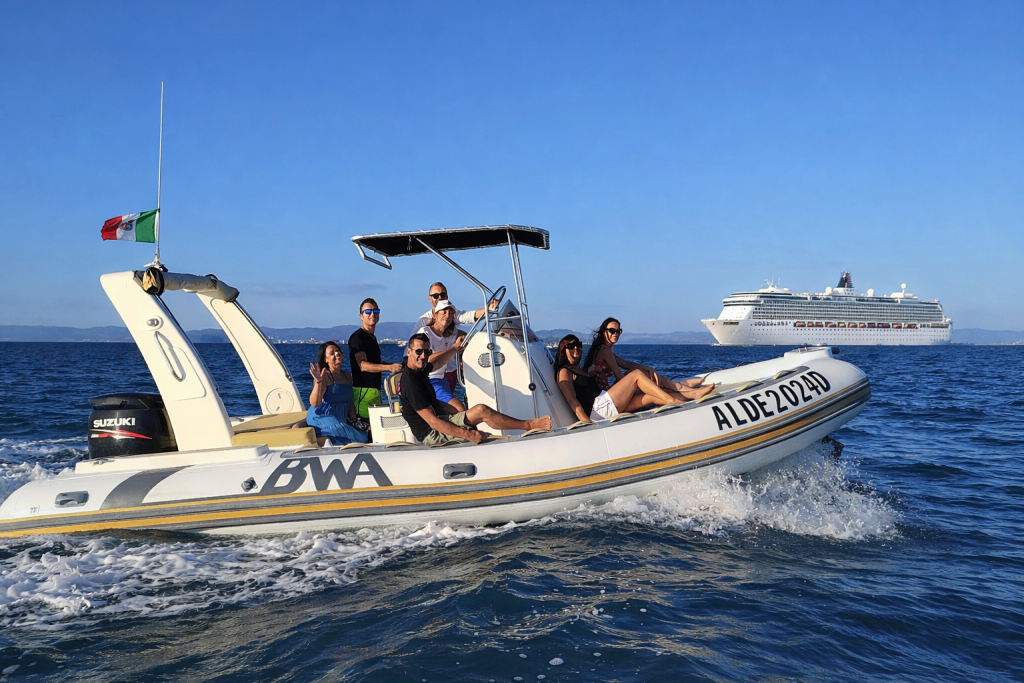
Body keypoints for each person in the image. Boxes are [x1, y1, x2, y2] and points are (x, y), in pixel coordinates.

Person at [400, 333, 552, 445]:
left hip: (442, 420)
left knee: (481, 410)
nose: (423, 356)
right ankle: (528, 426)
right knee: (480, 435)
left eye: (427, 352)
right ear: (409, 352)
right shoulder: (411, 383)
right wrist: (468, 434)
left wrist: (454, 349)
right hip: (432, 434)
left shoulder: (420, 370)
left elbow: (438, 364)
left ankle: (528, 425)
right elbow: (433, 422)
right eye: (418, 352)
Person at [554, 335, 710, 422]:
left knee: (650, 396)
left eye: (578, 345)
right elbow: (572, 401)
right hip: (599, 408)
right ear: (563, 350)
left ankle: (691, 397)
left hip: (606, 405)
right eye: (570, 346)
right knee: (635, 375)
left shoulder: (578, 370)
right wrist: (587, 425)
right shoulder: (564, 372)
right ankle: (672, 401)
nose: (576, 349)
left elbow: (625, 363)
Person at [583, 317, 711, 399]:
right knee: (641, 377)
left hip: (606, 394)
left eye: (618, 331)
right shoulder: (604, 351)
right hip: (604, 397)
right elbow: (620, 377)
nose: (615, 334)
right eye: (612, 330)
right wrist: (643, 382)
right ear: (603, 332)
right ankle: (686, 390)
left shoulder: (604, 350)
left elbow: (626, 363)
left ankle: (684, 389)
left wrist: (648, 369)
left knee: (641, 373)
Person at [349, 297, 403, 419]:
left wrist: (395, 366)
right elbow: (363, 365)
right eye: (368, 312)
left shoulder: (372, 338)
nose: (372, 314)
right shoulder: (358, 337)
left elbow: (375, 362)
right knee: (365, 426)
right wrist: (389, 367)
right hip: (363, 391)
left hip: (375, 391)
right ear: (361, 316)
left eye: (376, 311)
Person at [305, 341, 368, 445]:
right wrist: (318, 381)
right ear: (325, 359)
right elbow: (314, 403)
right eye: (332, 353)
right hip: (322, 418)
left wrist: (354, 421)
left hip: (340, 419)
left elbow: (350, 402)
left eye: (338, 351)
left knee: (363, 435)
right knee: (355, 437)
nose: (337, 354)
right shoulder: (324, 376)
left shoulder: (347, 376)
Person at [416, 300, 466, 411]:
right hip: (428, 380)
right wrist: (453, 349)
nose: (447, 315)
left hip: (441, 379)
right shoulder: (425, 333)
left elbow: (463, 336)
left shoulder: (451, 334)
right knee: (459, 409)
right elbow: (425, 360)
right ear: (435, 315)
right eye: (443, 312)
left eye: (450, 313)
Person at [416, 281, 492, 329]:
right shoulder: (423, 321)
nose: (440, 298)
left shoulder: (452, 314)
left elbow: (469, 316)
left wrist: (489, 308)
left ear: (447, 297)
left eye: (443, 295)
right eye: (436, 296)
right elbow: (413, 343)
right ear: (430, 299)